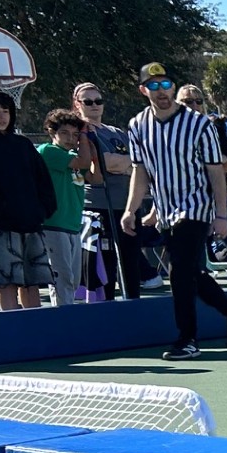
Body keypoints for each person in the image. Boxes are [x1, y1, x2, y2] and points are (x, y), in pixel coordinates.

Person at [121, 62, 227, 358]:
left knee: (179, 270)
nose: (161, 91)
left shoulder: (199, 124)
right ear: (143, 90)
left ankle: (187, 339)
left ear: (173, 87)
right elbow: (140, 171)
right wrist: (131, 210)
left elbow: (216, 172)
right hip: (166, 210)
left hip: (196, 207)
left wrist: (221, 215)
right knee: (188, 271)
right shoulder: (137, 125)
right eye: (154, 86)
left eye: (166, 85)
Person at [0, 92, 56, 310]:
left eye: (6, 111)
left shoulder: (23, 144)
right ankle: (11, 328)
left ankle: (34, 326)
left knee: (32, 281)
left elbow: (43, 181)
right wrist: (1, 211)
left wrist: (42, 210)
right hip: (0, 227)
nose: (2, 116)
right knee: (7, 281)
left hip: (31, 223)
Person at [73, 81, 153, 297]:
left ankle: (133, 305)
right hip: (98, 208)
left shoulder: (116, 132)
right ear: (77, 104)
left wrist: (124, 163)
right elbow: (105, 162)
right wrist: (126, 163)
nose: (94, 105)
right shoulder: (80, 132)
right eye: (88, 101)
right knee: (104, 267)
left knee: (131, 263)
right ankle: (106, 308)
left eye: (98, 101)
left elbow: (141, 163)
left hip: (128, 206)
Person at [37, 109, 92, 306]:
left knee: (73, 279)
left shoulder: (73, 155)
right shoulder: (48, 151)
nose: (71, 139)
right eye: (64, 133)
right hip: (54, 223)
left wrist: (92, 145)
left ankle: (66, 312)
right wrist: (84, 138)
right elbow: (83, 161)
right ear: (52, 132)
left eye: (75, 134)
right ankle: (62, 316)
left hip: (73, 224)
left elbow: (96, 176)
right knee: (62, 278)